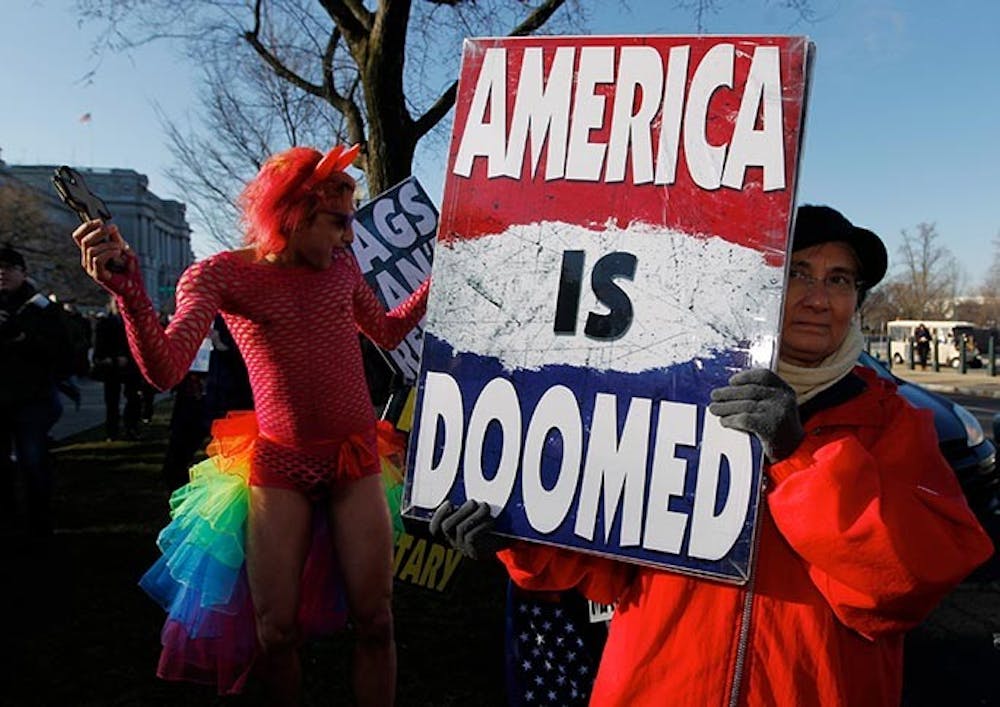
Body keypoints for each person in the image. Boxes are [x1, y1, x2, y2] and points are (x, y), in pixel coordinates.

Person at [431, 205, 994, 706]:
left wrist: (798, 457)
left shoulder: (897, 424)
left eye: (840, 279)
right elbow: (607, 570)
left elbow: (905, 584)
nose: (819, 298)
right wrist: (519, 538)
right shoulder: (668, 390)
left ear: (858, 301)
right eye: (798, 272)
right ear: (761, 286)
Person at [72, 144, 428, 706]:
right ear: (294, 212)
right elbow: (165, 371)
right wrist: (131, 296)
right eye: (338, 223)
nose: (349, 237)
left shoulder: (341, 268)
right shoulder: (219, 275)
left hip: (355, 458)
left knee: (378, 621)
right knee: (275, 633)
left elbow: (384, 332)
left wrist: (440, 283)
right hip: (278, 464)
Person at [0, 245, 72, 539]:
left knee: (33, 462)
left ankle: (39, 526)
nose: (2, 273)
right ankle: (8, 523)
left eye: (8, 267)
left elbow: (62, 351)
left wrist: (22, 337)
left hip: (33, 399)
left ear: (23, 272)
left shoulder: (41, 308)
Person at [91, 296, 143, 440]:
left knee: (133, 399)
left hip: (130, 366)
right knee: (112, 402)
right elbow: (99, 347)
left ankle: (131, 427)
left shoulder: (133, 323)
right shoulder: (105, 323)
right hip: (112, 367)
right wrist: (111, 359)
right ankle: (112, 431)